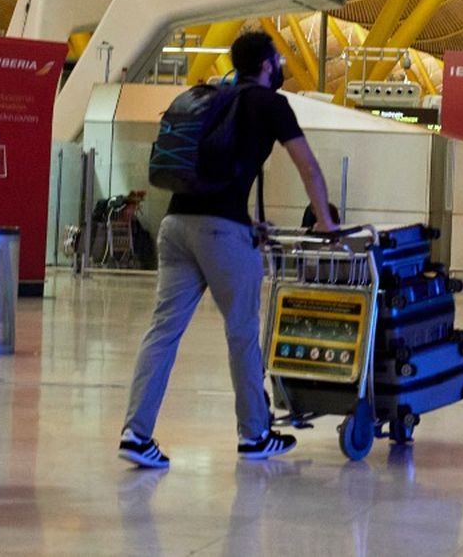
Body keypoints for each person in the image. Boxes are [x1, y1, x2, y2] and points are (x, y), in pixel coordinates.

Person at [118, 31, 338, 470]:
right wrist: (326, 224)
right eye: (278, 61)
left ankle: (135, 433)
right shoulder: (271, 104)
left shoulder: (215, 98)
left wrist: (244, 222)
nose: (280, 67)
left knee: (163, 331)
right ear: (267, 65)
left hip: (176, 226)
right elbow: (308, 167)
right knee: (242, 332)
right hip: (220, 232)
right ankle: (255, 434)